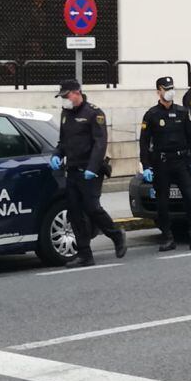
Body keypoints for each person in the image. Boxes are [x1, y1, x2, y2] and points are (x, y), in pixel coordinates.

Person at [50, 79, 127, 267]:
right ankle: (84, 253)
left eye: (66, 96)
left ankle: (116, 235)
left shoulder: (93, 113)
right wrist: (57, 155)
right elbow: (63, 141)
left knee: (92, 208)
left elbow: (100, 144)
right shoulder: (65, 113)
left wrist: (93, 168)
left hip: (90, 170)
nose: (64, 100)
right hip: (73, 169)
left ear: (77, 93)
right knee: (75, 212)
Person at [139, 76, 191, 252]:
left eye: (171, 88)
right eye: (166, 88)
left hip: (181, 161)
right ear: (158, 91)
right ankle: (168, 237)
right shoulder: (152, 115)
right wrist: (146, 166)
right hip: (161, 163)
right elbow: (144, 143)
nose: (170, 91)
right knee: (162, 202)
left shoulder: (183, 112)